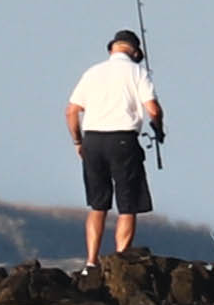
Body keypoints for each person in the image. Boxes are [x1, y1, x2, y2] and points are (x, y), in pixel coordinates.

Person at [65, 29, 163, 267]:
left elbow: (71, 111)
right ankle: (120, 260)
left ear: (112, 48)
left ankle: (91, 262)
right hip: (123, 140)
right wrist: (159, 130)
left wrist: (78, 142)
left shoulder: (92, 73)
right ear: (136, 51)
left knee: (98, 204)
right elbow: (154, 110)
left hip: (93, 141)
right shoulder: (138, 72)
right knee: (127, 204)